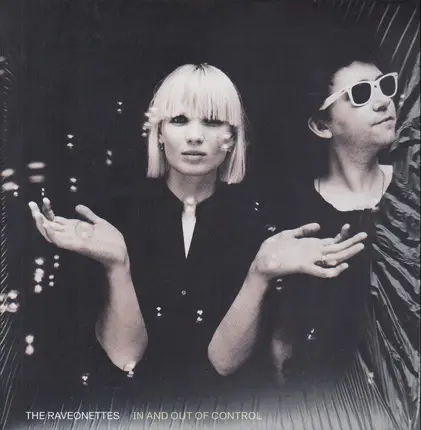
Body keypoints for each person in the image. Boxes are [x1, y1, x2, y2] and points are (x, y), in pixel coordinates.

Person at [27, 63, 366, 403]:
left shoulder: (259, 223)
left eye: (213, 121)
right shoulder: (114, 219)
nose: (195, 136)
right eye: (179, 120)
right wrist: (118, 266)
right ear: (159, 132)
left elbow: (222, 365)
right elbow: (124, 358)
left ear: (233, 137)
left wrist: (259, 274)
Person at [263, 36, 417, 428]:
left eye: (385, 86)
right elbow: (284, 337)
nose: (383, 101)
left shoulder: (413, 189)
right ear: (322, 125)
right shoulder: (297, 217)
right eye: (361, 94)